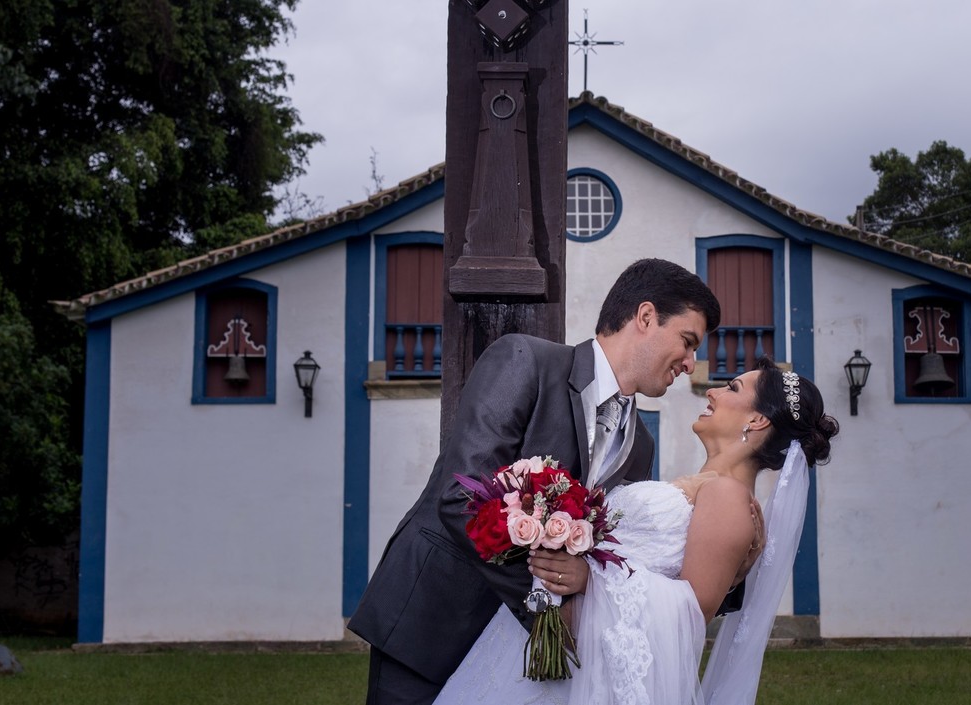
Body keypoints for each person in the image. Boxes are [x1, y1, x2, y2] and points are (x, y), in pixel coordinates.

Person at [347, 258, 723, 705]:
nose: (691, 363)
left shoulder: (640, 445)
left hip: (520, 661)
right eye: (687, 341)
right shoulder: (525, 361)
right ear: (645, 317)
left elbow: (607, 548)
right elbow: (460, 495)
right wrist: (547, 601)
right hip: (432, 621)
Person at [434, 358, 839, 705]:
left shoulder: (729, 497)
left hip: (585, 664)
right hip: (564, 642)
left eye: (732, 388)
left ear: (757, 419)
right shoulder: (707, 488)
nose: (713, 392)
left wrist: (591, 579)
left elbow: (690, 613)